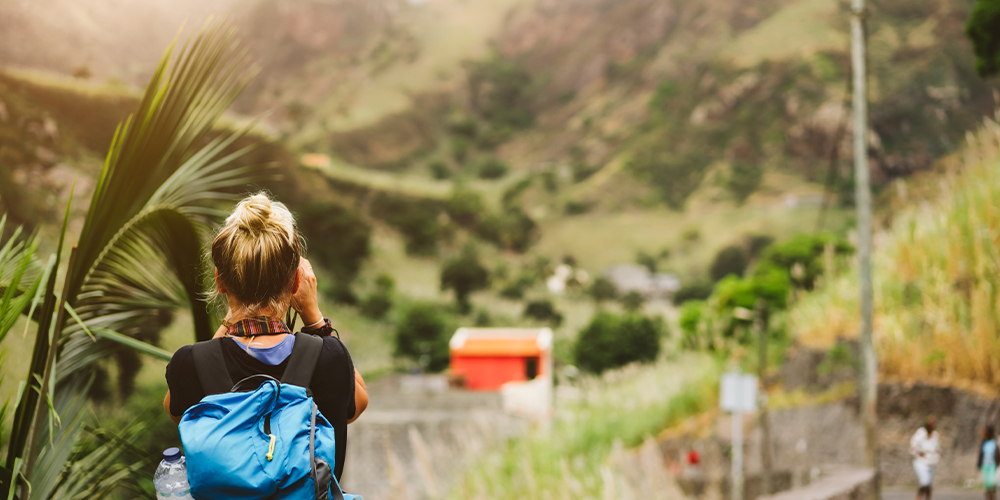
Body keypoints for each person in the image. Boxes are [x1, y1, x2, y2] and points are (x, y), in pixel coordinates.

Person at [163, 192, 368, 482]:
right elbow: (358, 403)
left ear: (220, 281)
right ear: (296, 281)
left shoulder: (189, 364)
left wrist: (235, 314)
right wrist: (314, 317)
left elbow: (176, 412)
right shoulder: (329, 358)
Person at [910, 416, 941, 500]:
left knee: (929, 484)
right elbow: (913, 446)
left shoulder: (935, 435)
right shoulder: (920, 433)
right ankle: (919, 497)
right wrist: (919, 452)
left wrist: (937, 454)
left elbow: (937, 447)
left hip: (932, 462)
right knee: (924, 482)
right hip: (921, 462)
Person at [979, 427, 999, 500]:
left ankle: (993, 498)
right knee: (987, 485)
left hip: (992, 467)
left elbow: (997, 454)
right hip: (985, 466)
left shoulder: (994, 443)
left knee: (992, 484)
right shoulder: (984, 443)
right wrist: (979, 464)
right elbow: (980, 454)